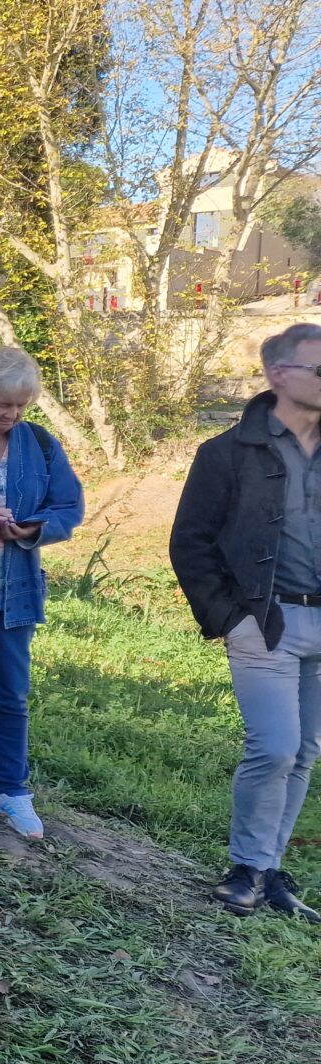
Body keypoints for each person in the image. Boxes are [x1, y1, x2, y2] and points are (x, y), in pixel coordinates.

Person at [172, 322, 321, 923]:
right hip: (266, 622)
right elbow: (191, 544)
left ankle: (271, 868)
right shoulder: (227, 453)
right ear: (278, 375)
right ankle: (247, 868)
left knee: (306, 750)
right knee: (275, 747)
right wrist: (230, 618)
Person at [0, 346, 84, 838]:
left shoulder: (40, 443)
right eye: (3, 404)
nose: (12, 415)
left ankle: (11, 790)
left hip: (11, 590)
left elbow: (68, 506)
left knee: (9, 694)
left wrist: (33, 527)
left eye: (21, 406)